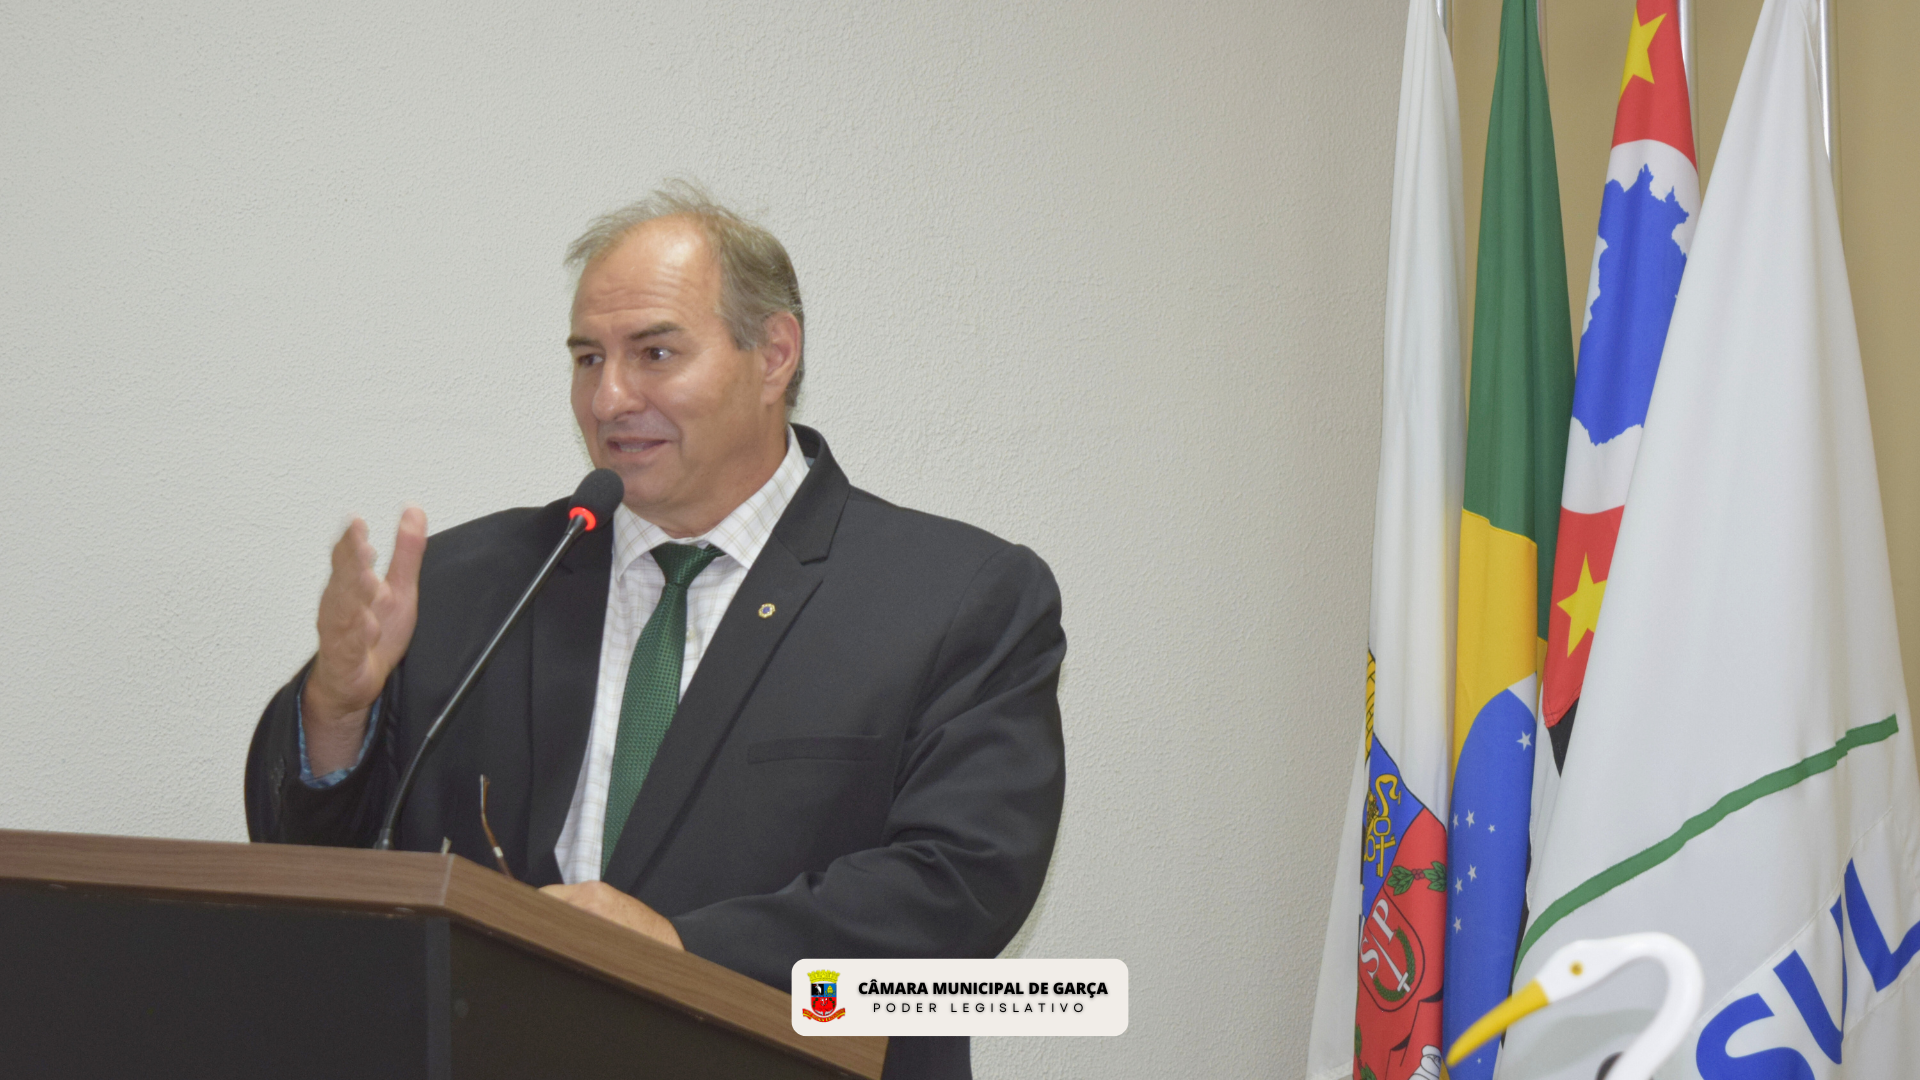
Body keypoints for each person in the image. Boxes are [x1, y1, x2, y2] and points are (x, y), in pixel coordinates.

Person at [243, 184, 1066, 1080]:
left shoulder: (952, 596)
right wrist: (336, 709)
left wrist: (679, 950)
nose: (609, 398)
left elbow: (961, 888)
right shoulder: (467, 583)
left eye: (655, 353)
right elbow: (312, 863)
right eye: (588, 359)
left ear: (773, 355)